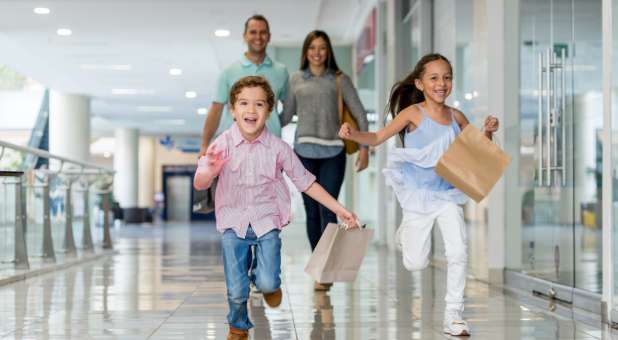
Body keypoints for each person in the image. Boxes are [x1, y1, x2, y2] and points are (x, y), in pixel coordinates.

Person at [338, 53, 499, 337]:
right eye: (434, 78)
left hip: (447, 194)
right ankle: (405, 235)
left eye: (447, 77)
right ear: (420, 83)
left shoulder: (456, 117)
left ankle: (454, 316)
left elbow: (477, 152)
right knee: (415, 262)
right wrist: (353, 135)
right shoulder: (412, 113)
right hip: (419, 197)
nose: (442, 83)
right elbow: (377, 137)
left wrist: (486, 132)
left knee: (459, 250)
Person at [194, 76, 359, 340]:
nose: (251, 110)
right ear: (232, 110)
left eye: (259, 104)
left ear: (269, 111)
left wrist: (339, 208)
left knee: (269, 281)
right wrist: (208, 169)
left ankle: (267, 283)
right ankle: (238, 326)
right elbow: (201, 183)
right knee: (236, 288)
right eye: (244, 104)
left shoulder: (278, 148)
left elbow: (306, 182)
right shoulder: (222, 143)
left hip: (266, 221)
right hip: (232, 223)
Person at [280, 30, 369, 291]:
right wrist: (261, 111)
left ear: (328, 51)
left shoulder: (339, 80)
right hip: (303, 153)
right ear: (306, 51)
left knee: (329, 211)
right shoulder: (295, 79)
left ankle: (326, 267)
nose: (317, 52)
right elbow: (285, 117)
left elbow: (360, 113)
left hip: (333, 153)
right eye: (312, 47)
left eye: (322, 48)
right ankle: (320, 266)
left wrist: (364, 148)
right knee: (311, 212)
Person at [199, 14, 288, 155]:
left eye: (263, 32)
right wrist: (204, 145)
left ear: (269, 37)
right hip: (235, 147)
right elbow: (216, 111)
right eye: (253, 32)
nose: (258, 37)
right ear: (245, 36)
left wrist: (273, 123)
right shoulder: (228, 72)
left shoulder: (281, 71)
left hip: (271, 147)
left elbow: (287, 108)